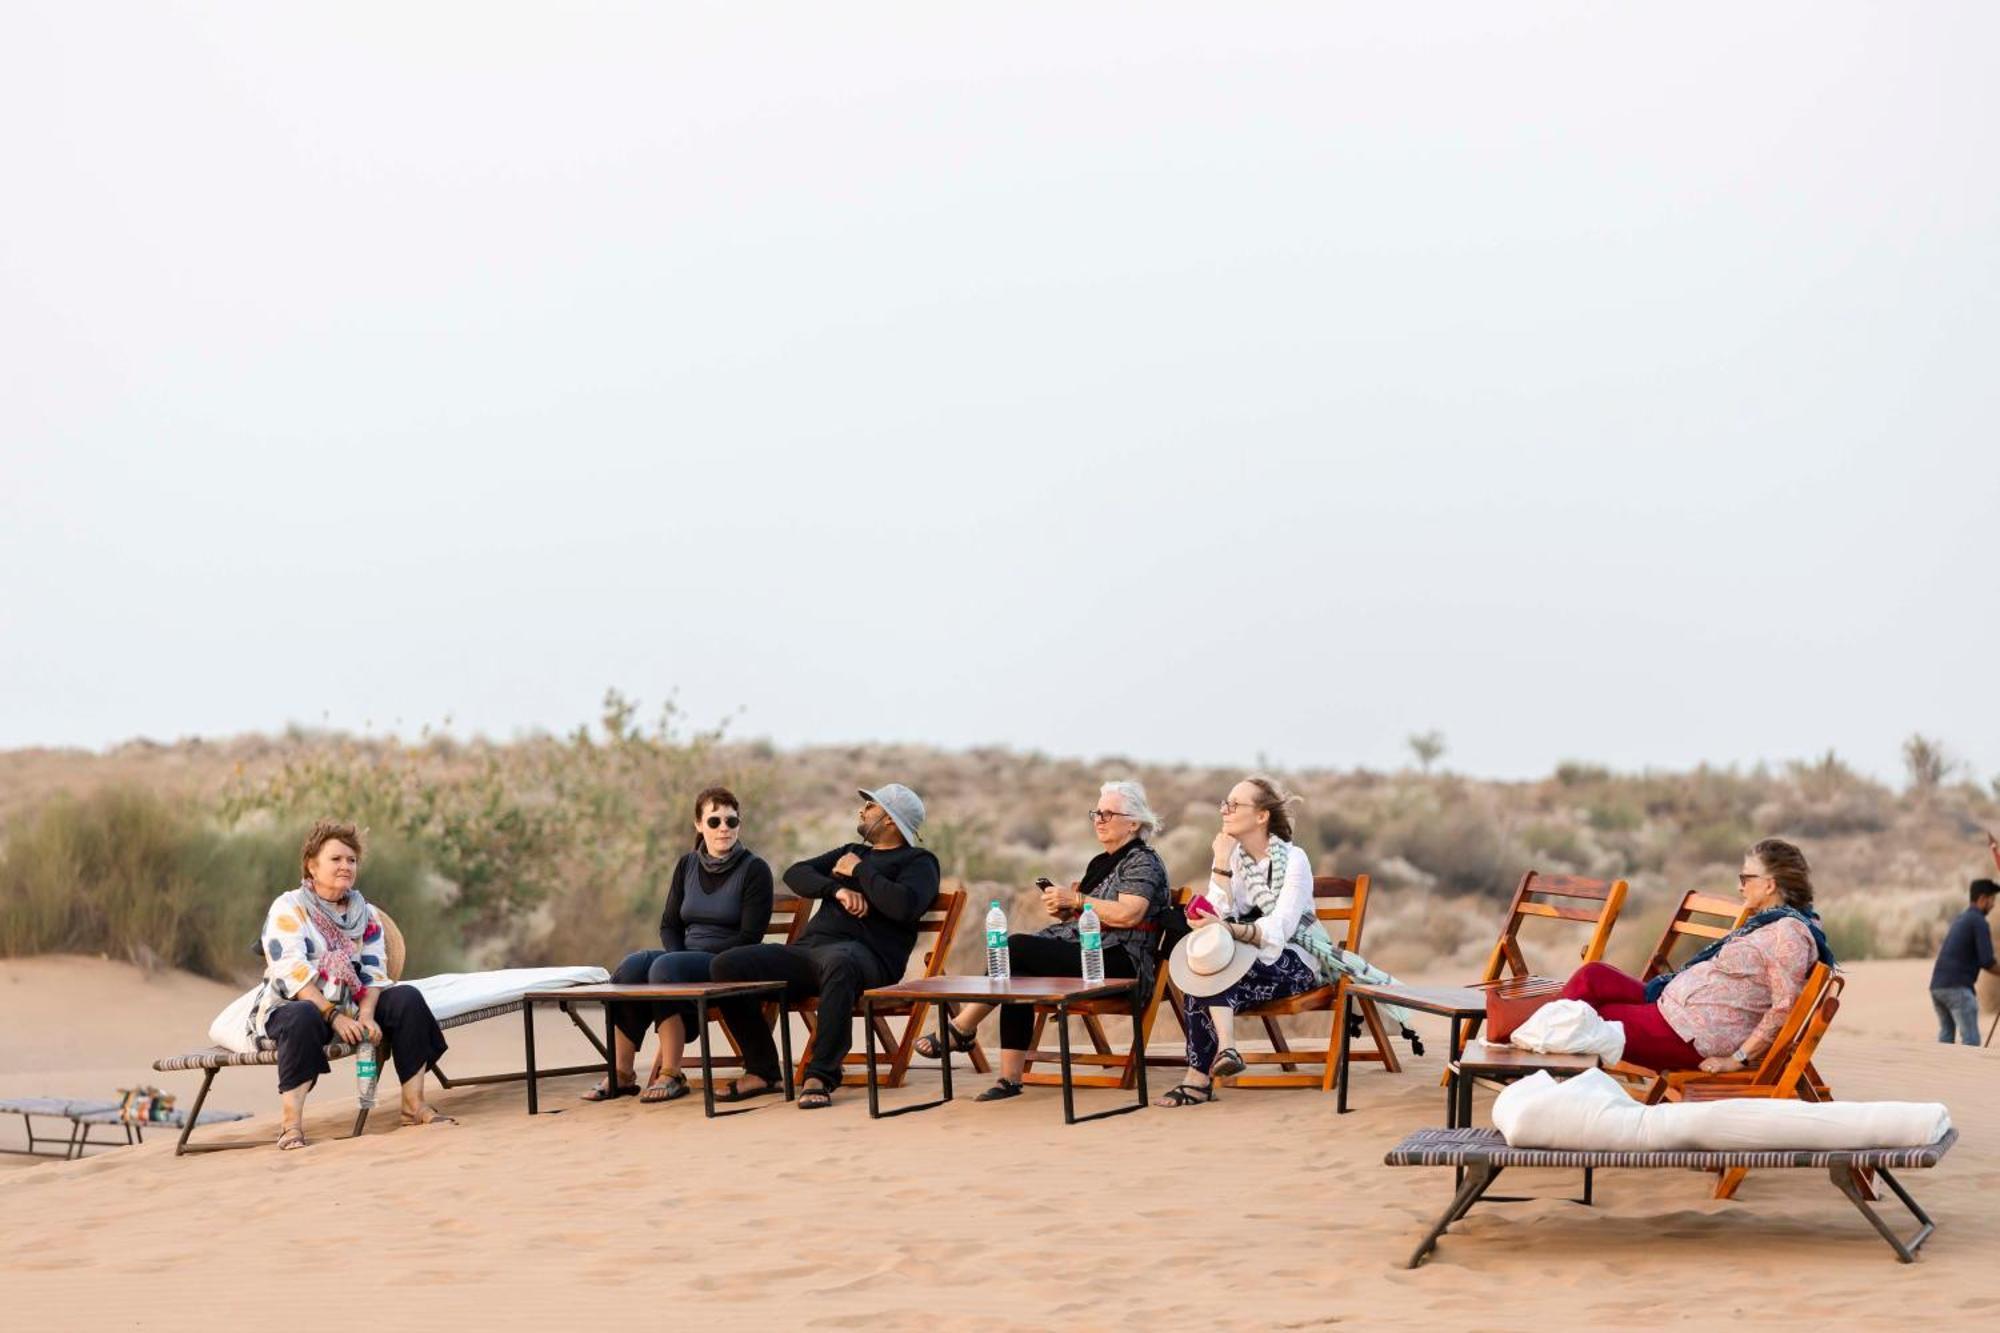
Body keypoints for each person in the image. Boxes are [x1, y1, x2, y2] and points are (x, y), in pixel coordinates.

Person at [915, 780, 1172, 1101]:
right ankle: (1009, 1079)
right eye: (1096, 813)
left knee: (1017, 948)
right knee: (1017, 974)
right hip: (1090, 949)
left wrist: (1077, 899)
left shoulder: (1142, 861)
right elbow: (1092, 915)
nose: (1099, 820)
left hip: (1121, 958)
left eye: (1108, 814)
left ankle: (962, 1028)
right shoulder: (1103, 861)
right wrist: (1066, 910)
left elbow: (1128, 915)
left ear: (1134, 822)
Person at [709, 784, 940, 1110]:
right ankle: (762, 1069)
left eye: (870, 807)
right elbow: (796, 873)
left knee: (840, 963)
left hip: (868, 958)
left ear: (889, 819)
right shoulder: (851, 850)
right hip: (810, 952)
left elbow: (905, 906)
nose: (862, 811)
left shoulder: (919, 862)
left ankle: (820, 1075)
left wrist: (860, 871)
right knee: (727, 965)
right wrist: (837, 890)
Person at [250, 820, 453, 1150]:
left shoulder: (365, 913)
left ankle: (413, 1106)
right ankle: (291, 1126)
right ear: (312, 865)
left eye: (352, 860)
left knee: (406, 999)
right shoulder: (289, 907)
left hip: (353, 1004)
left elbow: (374, 971)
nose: (346, 865)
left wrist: (367, 1015)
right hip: (296, 1004)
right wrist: (334, 1017)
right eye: (336, 859)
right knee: (302, 1016)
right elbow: (294, 974)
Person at [1562, 838, 1835, 1071]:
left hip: (1692, 1036)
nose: (1740, 886)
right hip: (1671, 1008)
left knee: (1589, 1020)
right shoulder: (1768, 922)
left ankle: (1532, 1063)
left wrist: (1737, 1059)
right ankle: (1533, 1054)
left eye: (1745, 878)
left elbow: (1784, 1007)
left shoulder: (1789, 933)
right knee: (1592, 976)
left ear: (1769, 885)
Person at [586, 786, 775, 1103]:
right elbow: (669, 924)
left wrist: (681, 962)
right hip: (684, 957)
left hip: (726, 960)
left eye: (732, 821)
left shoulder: (755, 870)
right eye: (715, 821)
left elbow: (750, 937)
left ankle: (672, 1073)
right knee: (633, 965)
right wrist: (680, 958)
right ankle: (622, 1071)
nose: (724, 829)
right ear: (699, 825)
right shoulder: (686, 866)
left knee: (665, 967)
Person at [1155, 776, 1331, 1108]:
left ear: (1262, 816)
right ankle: (1225, 1052)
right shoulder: (1232, 858)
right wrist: (1221, 863)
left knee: (1212, 973)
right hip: (1243, 958)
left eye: (1234, 805)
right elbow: (1216, 911)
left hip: (1292, 960)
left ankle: (1200, 1076)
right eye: (1225, 803)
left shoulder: (1294, 860)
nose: (1225, 810)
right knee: (1203, 965)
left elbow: (1280, 928)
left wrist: (1225, 928)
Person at [1927, 838, 1999, 1045]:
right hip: (1957, 989)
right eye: (1992, 900)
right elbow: (1987, 961)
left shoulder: (1962, 918)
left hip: (1937, 987)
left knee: (1946, 1040)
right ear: (1982, 899)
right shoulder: (1978, 922)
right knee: (1971, 1043)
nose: (1994, 905)